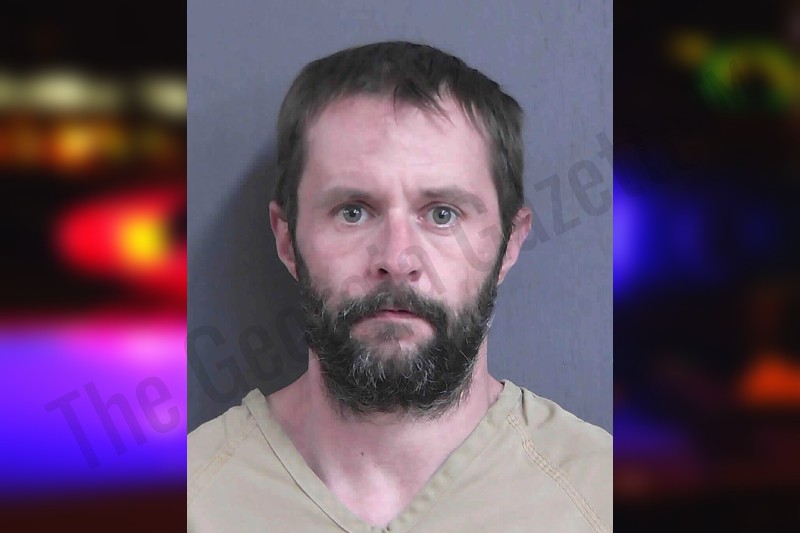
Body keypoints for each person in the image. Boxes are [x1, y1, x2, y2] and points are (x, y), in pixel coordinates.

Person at [188, 41, 612, 532]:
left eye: (442, 214)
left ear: (509, 244)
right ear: (286, 239)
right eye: (353, 212)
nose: (396, 259)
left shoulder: (599, 496)